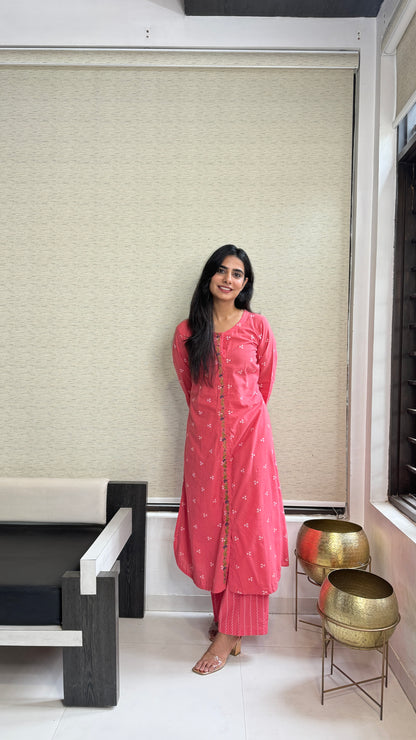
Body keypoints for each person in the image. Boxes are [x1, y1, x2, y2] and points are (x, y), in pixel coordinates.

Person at [172, 244, 288, 675]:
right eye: (222, 271)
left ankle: (230, 632)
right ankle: (226, 618)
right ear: (209, 277)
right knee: (211, 524)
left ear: (245, 283)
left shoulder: (257, 327)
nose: (228, 279)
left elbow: (264, 384)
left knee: (248, 527)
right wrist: (213, 424)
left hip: (250, 439)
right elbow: (190, 386)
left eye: (237, 273)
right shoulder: (187, 332)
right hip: (204, 443)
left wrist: (240, 420)